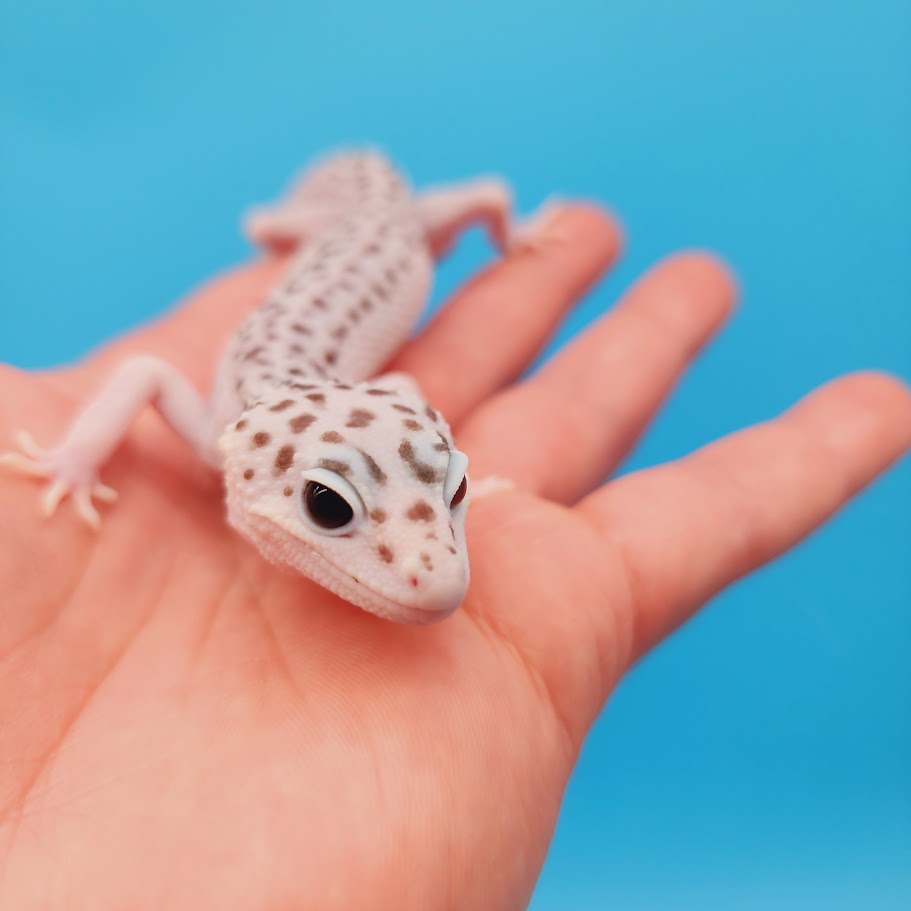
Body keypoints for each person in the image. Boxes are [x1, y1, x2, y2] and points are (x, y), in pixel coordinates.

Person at [0, 205, 908, 909]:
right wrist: (76, 456)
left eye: (452, 496)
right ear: (246, 466)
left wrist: (418, 473)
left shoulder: (347, 425)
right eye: (332, 508)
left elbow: (392, 395)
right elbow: (147, 377)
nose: (435, 573)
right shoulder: (228, 437)